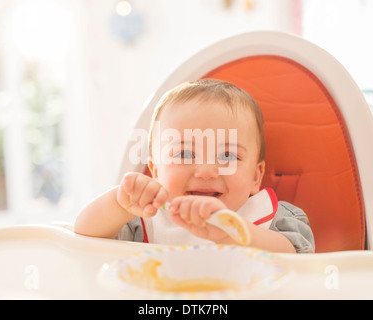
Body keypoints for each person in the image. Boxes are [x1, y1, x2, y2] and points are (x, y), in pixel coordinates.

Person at [74, 79, 314, 253]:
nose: (206, 171)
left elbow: (297, 259)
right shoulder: (144, 221)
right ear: (156, 172)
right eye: (185, 153)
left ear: (255, 176)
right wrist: (119, 205)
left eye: (228, 155)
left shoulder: (272, 219)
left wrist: (232, 233)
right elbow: (84, 238)